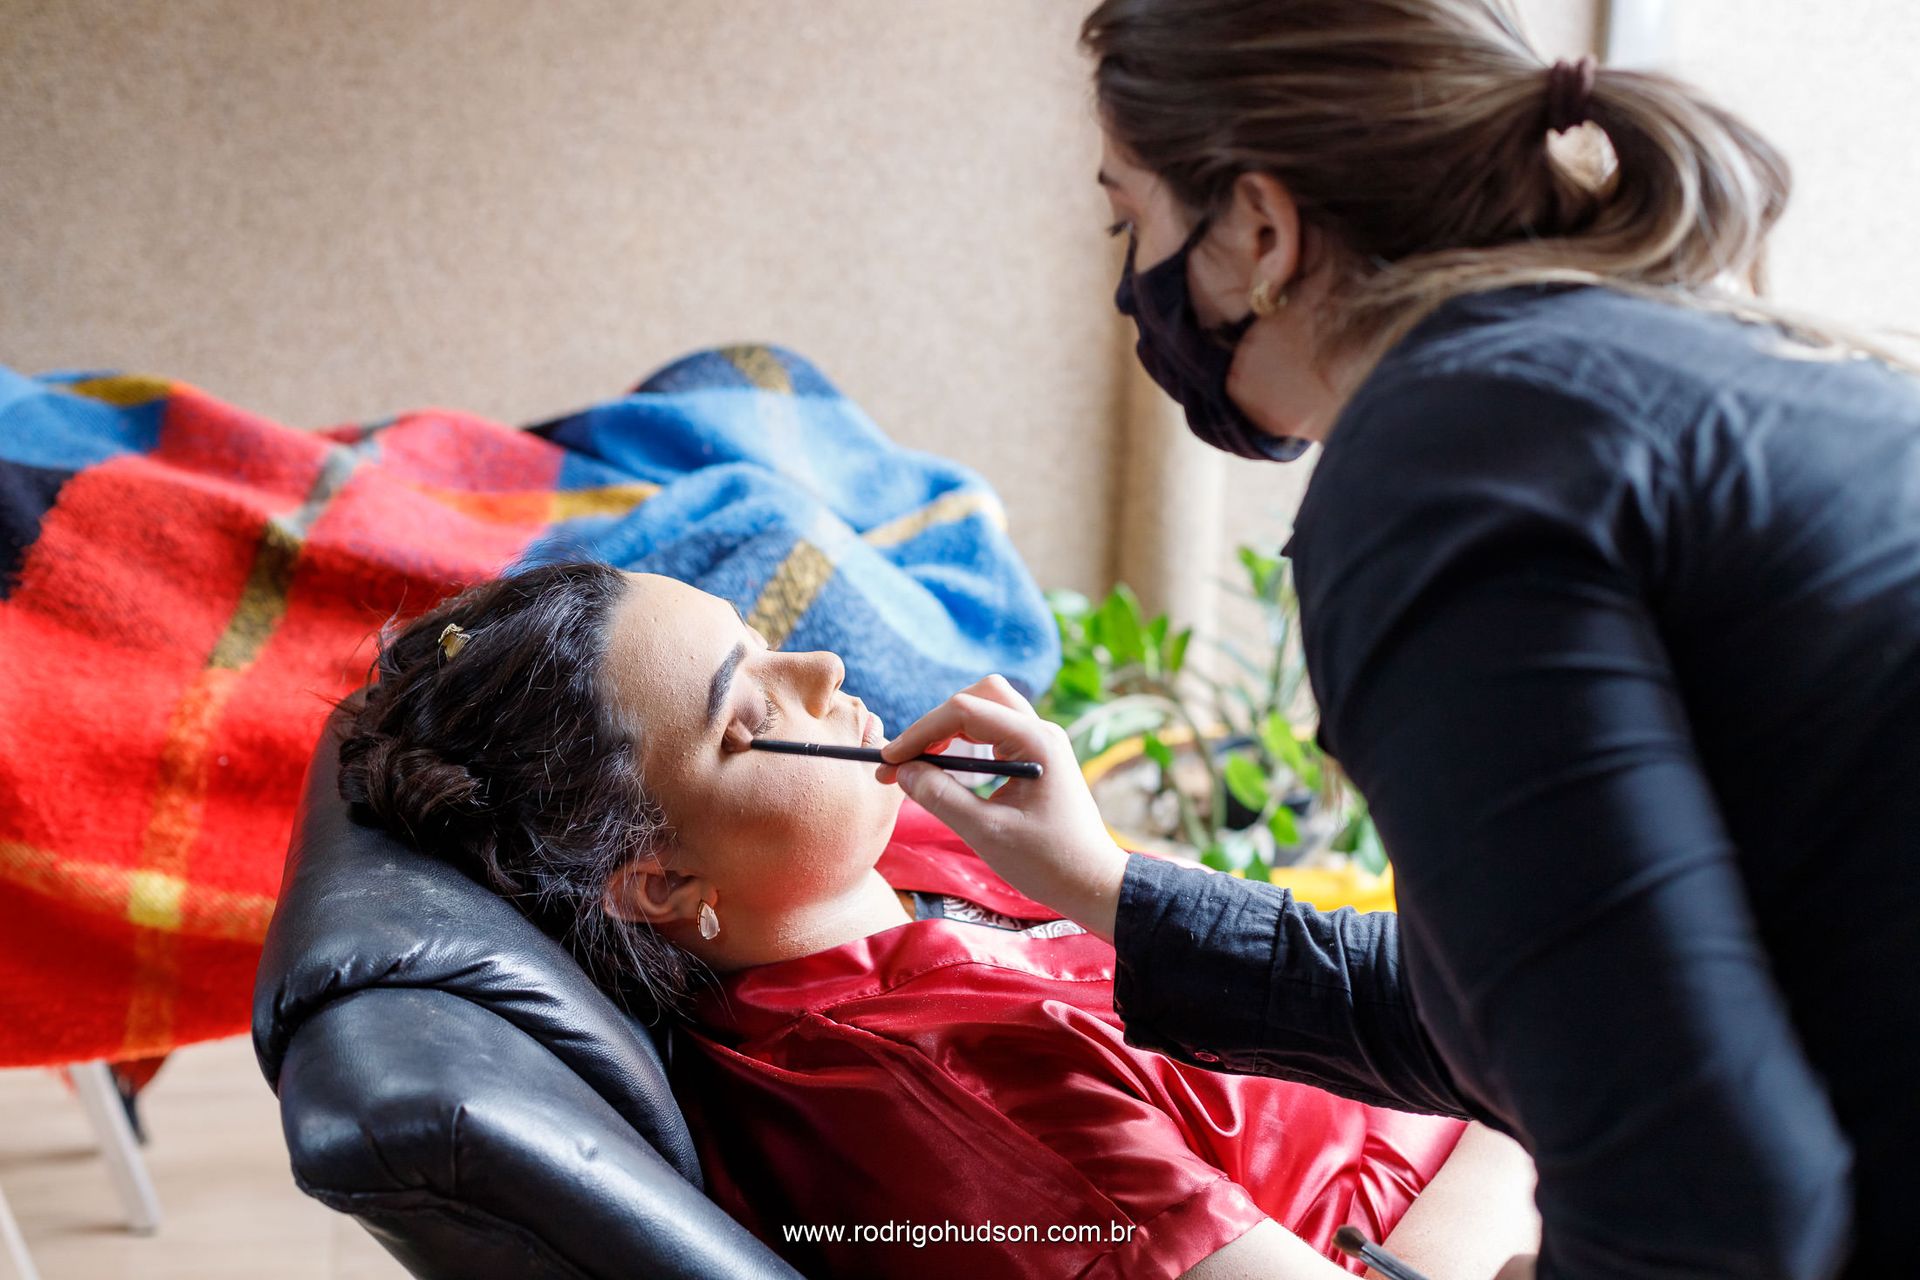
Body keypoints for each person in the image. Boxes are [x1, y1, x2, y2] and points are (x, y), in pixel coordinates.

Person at [877, 3, 1920, 1278]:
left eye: (1128, 218)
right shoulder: (1652, 361)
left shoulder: (1445, 467)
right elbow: (1538, 1006)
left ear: (1260, 228)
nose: (1128, 280)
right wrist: (1106, 888)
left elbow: (1699, 1201)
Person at [335, 560, 1542, 1279]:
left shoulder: (857, 853)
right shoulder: (956, 1104)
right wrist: (1533, 1098)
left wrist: (1107, 873)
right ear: (659, 882)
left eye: (765, 645)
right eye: (747, 714)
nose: (822, 672)